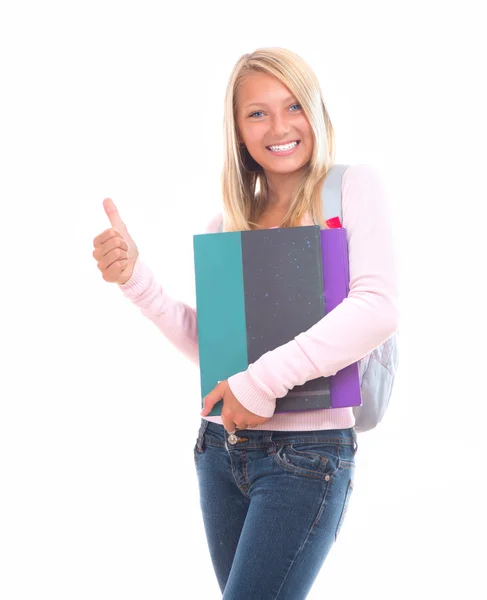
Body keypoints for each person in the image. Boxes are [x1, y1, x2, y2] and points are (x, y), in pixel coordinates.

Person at [92, 47, 399, 599]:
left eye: (293, 106)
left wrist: (258, 383)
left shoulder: (351, 188)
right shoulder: (228, 221)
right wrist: (135, 278)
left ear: (318, 113)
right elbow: (216, 348)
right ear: (237, 130)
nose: (279, 127)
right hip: (221, 452)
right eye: (257, 113)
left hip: (307, 458)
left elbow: (376, 307)